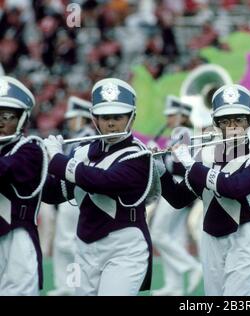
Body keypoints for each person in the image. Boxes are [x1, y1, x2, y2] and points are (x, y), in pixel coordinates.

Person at [42, 78, 159, 296]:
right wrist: (34, 169)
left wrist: (57, 158)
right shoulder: (82, 152)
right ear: (95, 119)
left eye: (118, 117)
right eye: (105, 117)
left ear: (132, 117)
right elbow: (55, 193)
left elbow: (103, 181)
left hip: (125, 248)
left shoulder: (138, 155)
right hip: (84, 247)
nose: (111, 123)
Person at [157, 84, 250, 296]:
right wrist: (160, 171)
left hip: (244, 237)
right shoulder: (206, 155)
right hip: (210, 237)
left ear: (249, 121)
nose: (232, 127)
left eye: (238, 120)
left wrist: (191, 164)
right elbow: (178, 198)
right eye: (225, 121)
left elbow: (235, 187)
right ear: (216, 124)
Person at [150, 95, 202, 296]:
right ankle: (175, 286)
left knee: (159, 233)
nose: (168, 119)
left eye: (172, 115)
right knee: (175, 237)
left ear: (182, 116)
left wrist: (160, 155)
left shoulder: (184, 134)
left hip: (179, 186)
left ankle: (192, 266)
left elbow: (180, 164)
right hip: (177, 184)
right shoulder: (177, 134)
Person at [0, 76, 47, 295]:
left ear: (22, 120)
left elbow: (4, 170)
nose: (0, 122)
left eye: (7, 116)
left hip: (16, 240)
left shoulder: (30, 149)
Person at [47, 96, 96, 296]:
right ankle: (65, 286)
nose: (69, 121)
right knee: (62, 243)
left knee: (70, 243)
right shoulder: (75, 135)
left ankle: (74, 285)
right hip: (67, 193)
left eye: (73, 118)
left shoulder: (87, 137)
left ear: (83, 118)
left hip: (76, 194)